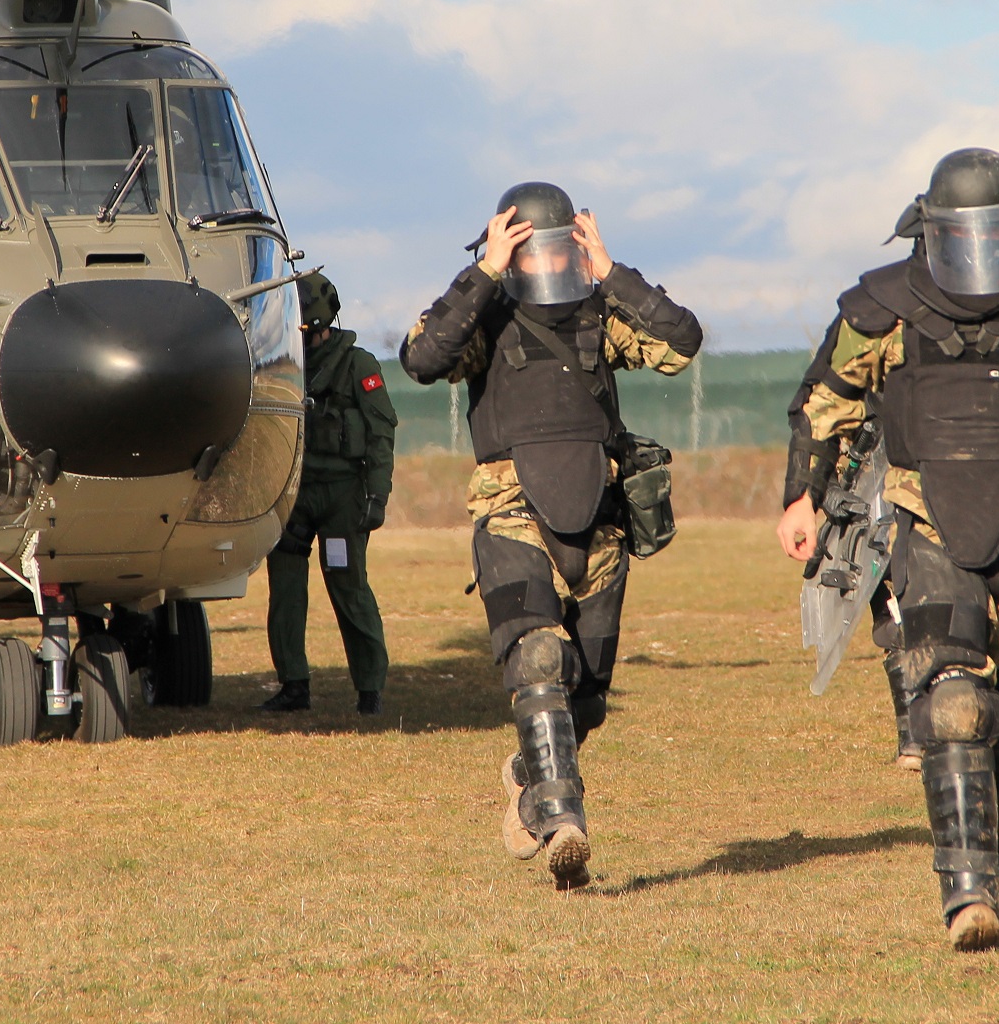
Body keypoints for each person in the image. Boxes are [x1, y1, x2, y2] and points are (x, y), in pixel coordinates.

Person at [775, 149, 999, 950]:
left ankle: (981, 831)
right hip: (927, 525)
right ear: (930, 231)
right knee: (954, 702)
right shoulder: (884, 307)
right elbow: (822, 404)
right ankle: (968, 889)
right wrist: (802, 495)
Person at [401, 182, 702, 890]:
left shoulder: (603, 308)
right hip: (511, 510)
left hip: (597, 516)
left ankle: (528, 775)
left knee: (586, 695)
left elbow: (681, 343)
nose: (546, 261)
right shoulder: (487, 314)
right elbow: (423, 358)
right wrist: (483, 273)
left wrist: (612, 269)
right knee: (539, 659)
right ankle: (564, 822)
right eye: (531, 248)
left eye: (558, 246)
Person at [257, 271, 396, 715]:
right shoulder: (280, 365)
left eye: (309, 331)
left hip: (341, 496)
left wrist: (377, 496)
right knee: (286, 592)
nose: (305, 339)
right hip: (294, 495)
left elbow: (380, 434)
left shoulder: (359, 366)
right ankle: (293, 684)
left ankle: (369, 689)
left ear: (324, 324)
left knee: (349, 589)